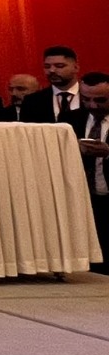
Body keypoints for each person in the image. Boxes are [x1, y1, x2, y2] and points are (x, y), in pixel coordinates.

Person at [69, 71, 109, 274]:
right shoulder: (70, 119)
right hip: (84, 198)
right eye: (86, 99)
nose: (93, 105)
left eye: (100, 100)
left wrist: (108, 151)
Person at [19, 47, 82, 123]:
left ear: (76, 68)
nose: (51, 70)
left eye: (59, 66)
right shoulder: (32, 101)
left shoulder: (90, 96)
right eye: (47, 67)